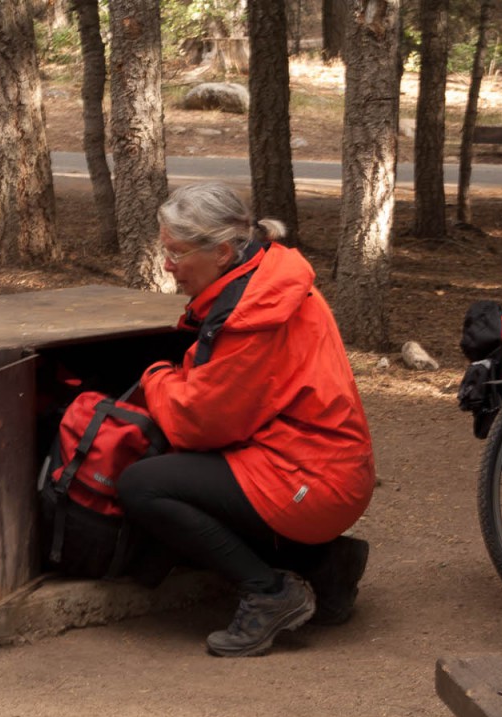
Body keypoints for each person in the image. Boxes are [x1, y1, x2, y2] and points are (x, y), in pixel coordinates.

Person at [117, 182, 375, 658]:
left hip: (311, 480)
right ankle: (326, 563)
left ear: (220, 251)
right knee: (198, 475)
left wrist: (156, 376)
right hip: (326, 469)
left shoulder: (256, 311)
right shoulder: (265, 280)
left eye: (175, 254)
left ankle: (269, 593)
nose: (168, 266)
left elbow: (198, 425)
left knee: (144, 485)